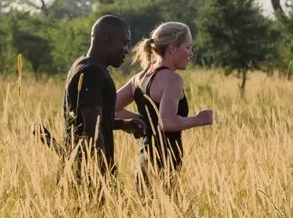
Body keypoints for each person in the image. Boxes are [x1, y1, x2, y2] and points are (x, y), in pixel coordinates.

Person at [115, 21, 215, 181]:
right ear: (172, 49)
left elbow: (112, 107)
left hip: (144, 159)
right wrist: (199, 119)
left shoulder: (140, 78)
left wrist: (144, 121)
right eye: (188, 47)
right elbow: (167, 123)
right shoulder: (172, 80)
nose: (191, 53)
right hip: (165, 162)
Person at [56, 14, 143, 180]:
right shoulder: (92, 72)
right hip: (87, 174)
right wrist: (105, 173)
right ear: (108, 40)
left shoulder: (82, 65)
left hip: (79, 168)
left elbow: (85, 122)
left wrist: (123, 124)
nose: (126, 50)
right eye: (124, 43)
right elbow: (92, 131)